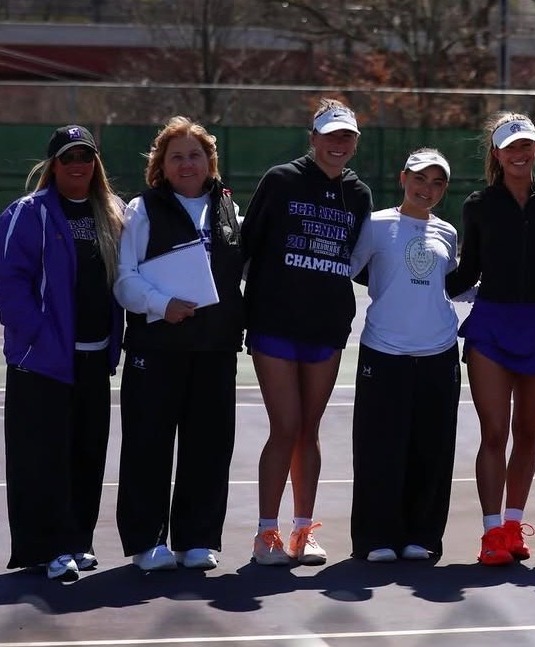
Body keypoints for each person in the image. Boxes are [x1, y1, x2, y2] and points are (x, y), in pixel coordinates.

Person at [242, 98, 373, 566]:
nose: (339, 144)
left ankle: (302, 531)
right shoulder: (280, 181)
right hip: (274, 323)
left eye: (347, 136)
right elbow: (246, 247)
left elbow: (357, 261)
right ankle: (265, 535)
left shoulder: (359, 194)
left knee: (310, 430)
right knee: (286, 425)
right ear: (313, 138)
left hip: (326, 327)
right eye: (331, 135)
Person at [114, 116, 245, 571]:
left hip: (215, 349)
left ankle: (198, 538)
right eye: (176, 157)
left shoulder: (229, 208)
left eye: (195, 155)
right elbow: (124, 279)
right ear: (161, 166)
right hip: (157, 348)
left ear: (209, 161)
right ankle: (147, 542)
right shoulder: (142, 209)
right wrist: (160, 303)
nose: (187, 164)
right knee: (148, 446)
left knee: (209, 446)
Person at [0, 125, 124, 581]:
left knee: (87, 455)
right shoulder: (27, 213)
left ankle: (78, 542)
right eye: (69, 157)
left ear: (96, 163)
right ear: (53, 164)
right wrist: (34, 336)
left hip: (94, 357)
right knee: (43, 458)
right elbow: (8, 280)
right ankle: (47, 547)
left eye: (86, 157)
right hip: (42, 361)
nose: (78, 165)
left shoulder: (112, 213)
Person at [445, 112, 535, 566]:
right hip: (490, 326)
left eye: (526, 145)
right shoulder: (478, 204)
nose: (519, 153)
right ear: (496, 153)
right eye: (510, 146)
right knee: (494, 433)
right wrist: (414, 270)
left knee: (528, 433)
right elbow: (466, 272)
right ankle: (491, 532)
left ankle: (514, 525)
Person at [348, 149, 460, 563]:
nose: (426, 188)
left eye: (437, 182)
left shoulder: (448, 232)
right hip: (384, 352)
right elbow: (347, 268)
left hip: (439, 353)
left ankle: (422, 534)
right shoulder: (376, 225)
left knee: (431, 451)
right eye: (419, 178)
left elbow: (449, 285)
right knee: (380, 450)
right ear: (402, 178)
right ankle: (376, 537)